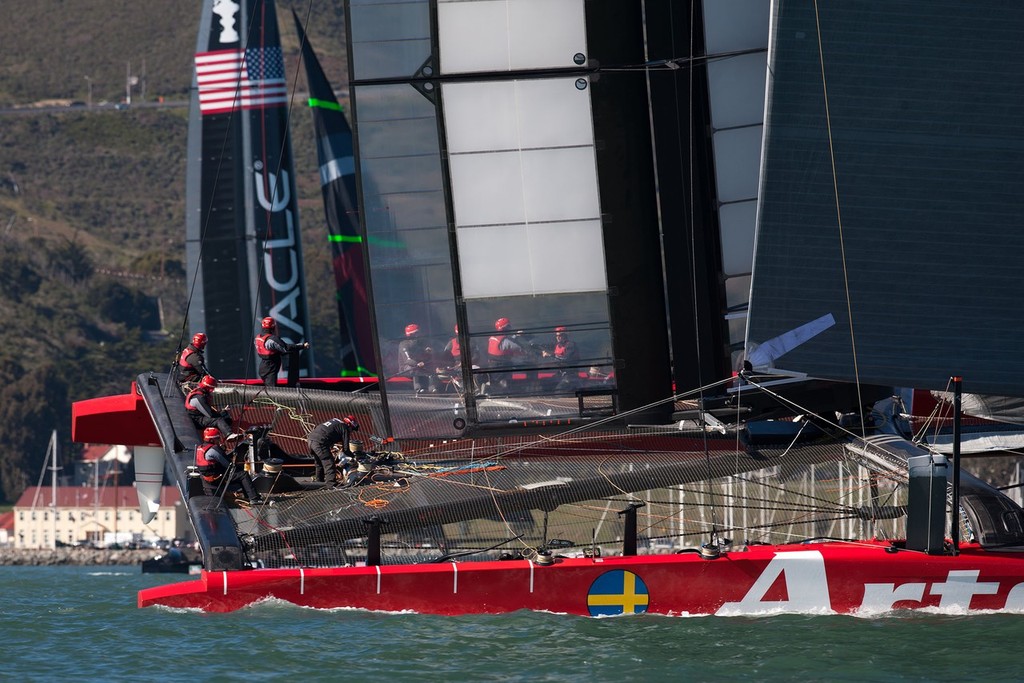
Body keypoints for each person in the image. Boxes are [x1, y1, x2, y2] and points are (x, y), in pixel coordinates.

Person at [194, 427, 261, 505]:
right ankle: (254, 498)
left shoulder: (200, 448)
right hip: (216, 479)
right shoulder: (214, 449)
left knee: (239, 473)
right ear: (212, 440)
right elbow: (228, 464)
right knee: (243, 474)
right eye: (218, 438)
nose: (219, 440)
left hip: (206, 477)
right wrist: (224, 452)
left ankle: (247, 495)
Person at [254, 316, 310, 387]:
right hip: (270, 367)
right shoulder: (272, 339)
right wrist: (302, 346)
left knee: (269, 388)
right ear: (273, 327)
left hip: (262, 367)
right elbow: (286, 348)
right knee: (271, 390)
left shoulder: (257, 338)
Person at [306, 415, 359, 484]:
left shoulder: (335, 421)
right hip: (320, 442)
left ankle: (319, 482)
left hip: (311, 440)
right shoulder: (345, 428)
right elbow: (346, 450)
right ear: (349, 425)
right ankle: (331, 484)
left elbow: (328, 433)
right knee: (329, 463)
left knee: (319, 463)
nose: (351, 432)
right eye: (352, 429)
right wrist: (354, 457)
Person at [484, 317, 524, 394]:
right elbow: (519, 348)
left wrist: (515, 335)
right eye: (509, 326)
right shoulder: (505, 342)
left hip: (492, 365)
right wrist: (520, 338)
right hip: (502, 366)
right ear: (505, 328)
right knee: (522, 366)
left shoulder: (492, 338)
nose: (510, 328)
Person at [398, 323, 435, 393]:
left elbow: (427, 354)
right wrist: (417, 364)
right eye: (416, 333)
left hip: (420, 365)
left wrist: (429, 351)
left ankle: (432, 388)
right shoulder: (404, 344)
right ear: (410, 335)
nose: (419, 334)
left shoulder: (419, 343)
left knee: (430, 369)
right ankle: (418, 388)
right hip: (406, 367)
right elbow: (407, 360)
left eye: (418, 332)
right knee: (415, 369)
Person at [542, 326, 581, 391]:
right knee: (545, 384)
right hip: (560, 373)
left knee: (559, 390)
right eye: (556, 336)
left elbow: (565, 359)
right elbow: (541, 345)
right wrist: (526, 337)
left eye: (560, 335)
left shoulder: (571, 345)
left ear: (565, 336)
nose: (558, 337)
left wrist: (550, 355)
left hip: (570, 375)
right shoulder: (557, 345)